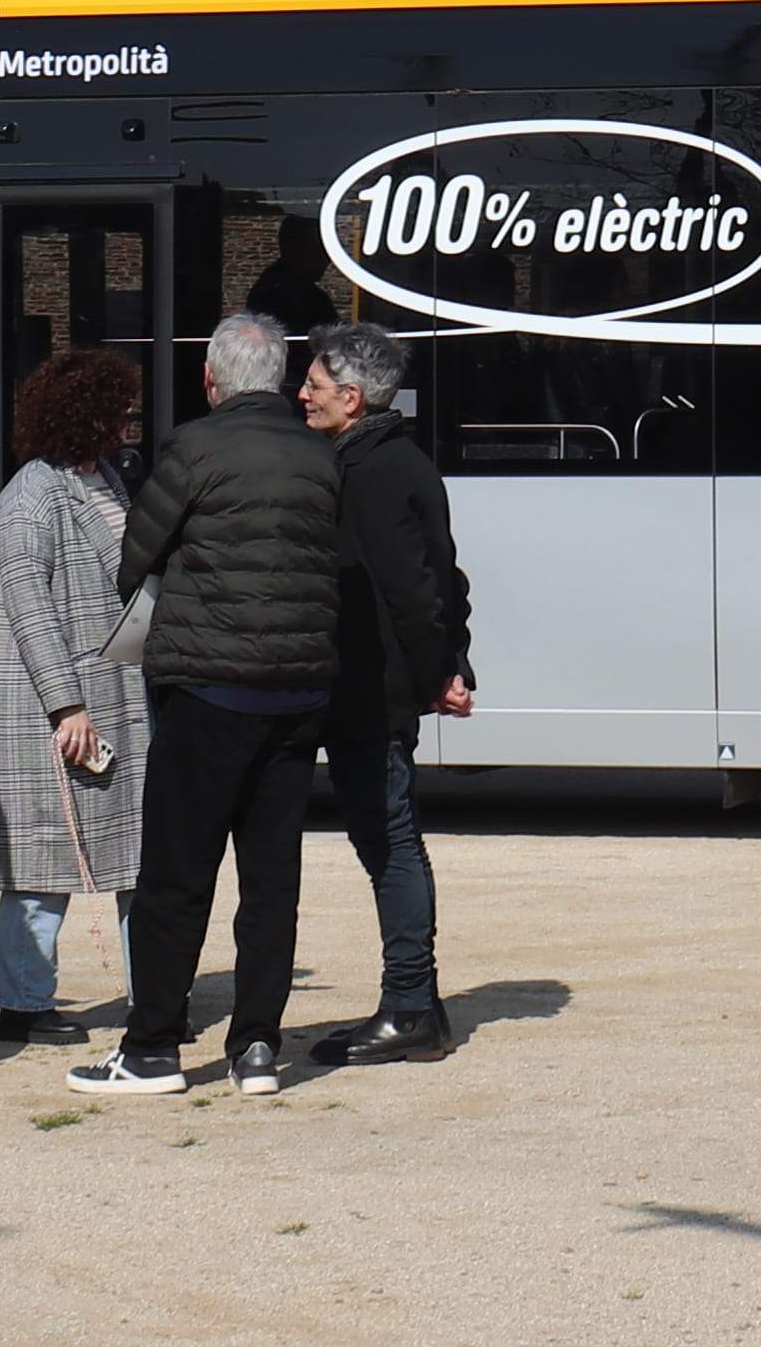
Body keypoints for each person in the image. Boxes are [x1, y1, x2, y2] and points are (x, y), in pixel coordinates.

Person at [78, 312, 351, 1097]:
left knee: (177, 876)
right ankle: (258, 1047)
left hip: (206, 685)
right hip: (299, 688)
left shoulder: (192, 448)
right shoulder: (322, 455)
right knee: (271, 879)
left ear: (211, 380)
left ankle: (154, 1046)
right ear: (281, 380)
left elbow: (138, 556)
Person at [304, 322, 477, 1061]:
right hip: (381, 685)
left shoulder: (370, 471)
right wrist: (449, 664)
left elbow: (415, 589)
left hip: (370, 689)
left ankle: (410, 1006)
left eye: (313, 385)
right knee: (390, 837)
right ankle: (415, 1003)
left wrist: (436, 670)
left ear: (352, 397)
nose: (301, 395)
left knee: (390, 841)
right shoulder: (393, 459)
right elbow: (448, 578)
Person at [0, 340, 152, 1047]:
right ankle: (23, 1002)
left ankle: (154, 992)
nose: (128, 422)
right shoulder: (31, 497)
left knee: (139, 856)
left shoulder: (103, 477)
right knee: (43, 860)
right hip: (69, 705)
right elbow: (28, 607)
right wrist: (66, 705)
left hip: (118, 690)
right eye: (118, 411)